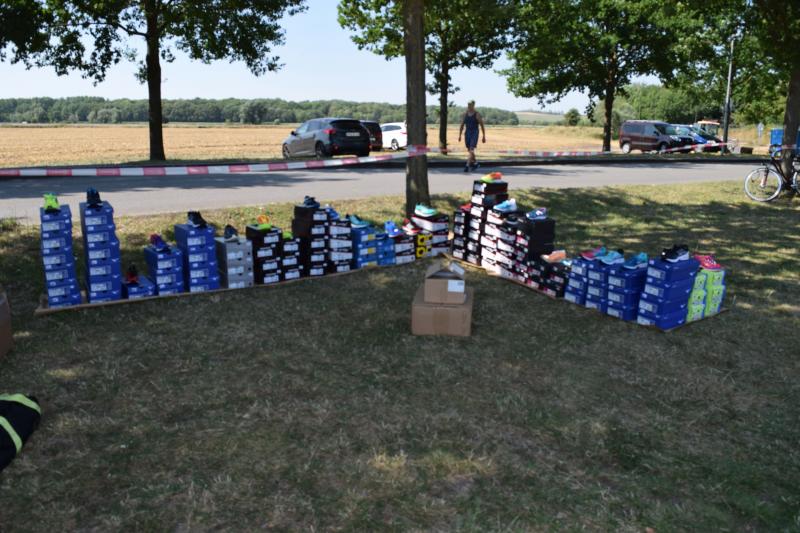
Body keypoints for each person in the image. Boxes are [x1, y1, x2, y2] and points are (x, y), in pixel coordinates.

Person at [458, 99, 486, 172]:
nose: (469, 106)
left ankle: (467, 165)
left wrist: (484, 136)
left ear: (473, 105)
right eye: (468, 104)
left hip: (474, 132)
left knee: (471, 149)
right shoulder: (465, 114)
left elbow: (482, 125)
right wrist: (460, 135)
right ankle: (476, 163)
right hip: (467, 133)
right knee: (469, 150)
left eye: (470, 105)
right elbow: (462, 125)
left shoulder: (477, 114)